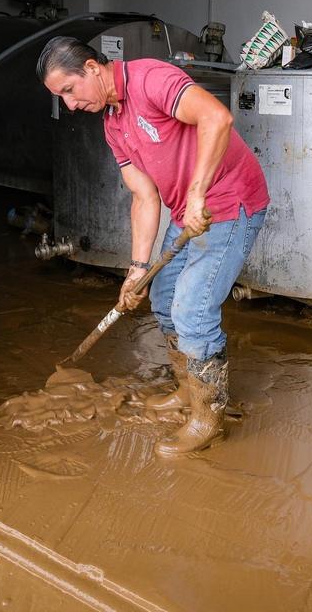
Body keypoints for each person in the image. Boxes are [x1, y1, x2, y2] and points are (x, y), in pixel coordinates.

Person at [37, 37, 269, 456]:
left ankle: (209, 418)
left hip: (229, 205)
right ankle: (188, 391)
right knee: (163, 299)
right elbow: (144, 197)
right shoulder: (113, 124)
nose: (69, 105)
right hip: (187, 215)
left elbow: (217, 118)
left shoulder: (149, 79)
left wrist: (197, 195)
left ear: (91, 68)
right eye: (61, 98)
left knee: (192, 311)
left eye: (69, 90)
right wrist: (137, 268)